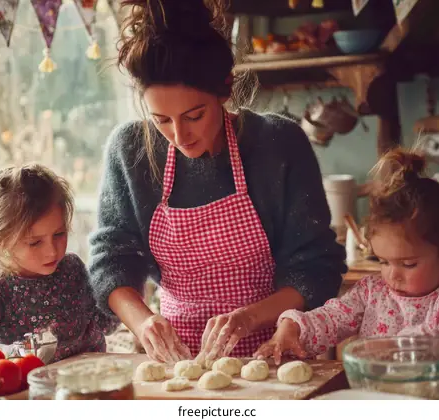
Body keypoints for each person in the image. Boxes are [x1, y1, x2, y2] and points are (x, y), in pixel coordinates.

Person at [88, 0, 346, 364]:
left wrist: (248, 317)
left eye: (194, 115)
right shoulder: (130, 150)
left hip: (274, 354)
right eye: (162, 119)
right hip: (175, 363)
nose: (179, 135)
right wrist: (144, 322)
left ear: (224, 89)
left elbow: (317, 269)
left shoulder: (278, 144)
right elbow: (110, 260)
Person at [255, 148, 439, 364]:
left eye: (408, 264)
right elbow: (332, 318)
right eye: (383, 261)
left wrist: (392, 346)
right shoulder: (372, 291)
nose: (392, 275)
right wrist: (294, 326)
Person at [0, 164, 118, 363]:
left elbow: (102, 323)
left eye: (59, 234)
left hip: (89, 380)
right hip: (34, 390)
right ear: (2, 240)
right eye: (34, 242)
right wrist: (19, 352)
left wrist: (122, 291)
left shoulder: (72, 267)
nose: (52, 251)